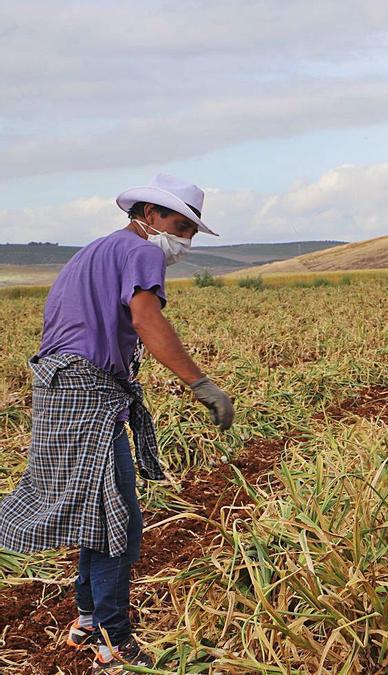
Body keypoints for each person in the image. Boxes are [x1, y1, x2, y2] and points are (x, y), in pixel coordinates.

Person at [0, 174, 235, 671]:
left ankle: (88, 624)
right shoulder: (143, 252)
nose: (185, 238)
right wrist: (201, 384)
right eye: (180, 225)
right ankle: (113, 639)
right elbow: (148, 320)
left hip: (58, 386)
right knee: (116, 519)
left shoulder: (95, 250)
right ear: (149, 216)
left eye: (191, 229)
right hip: (89, 392)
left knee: (95, 511)